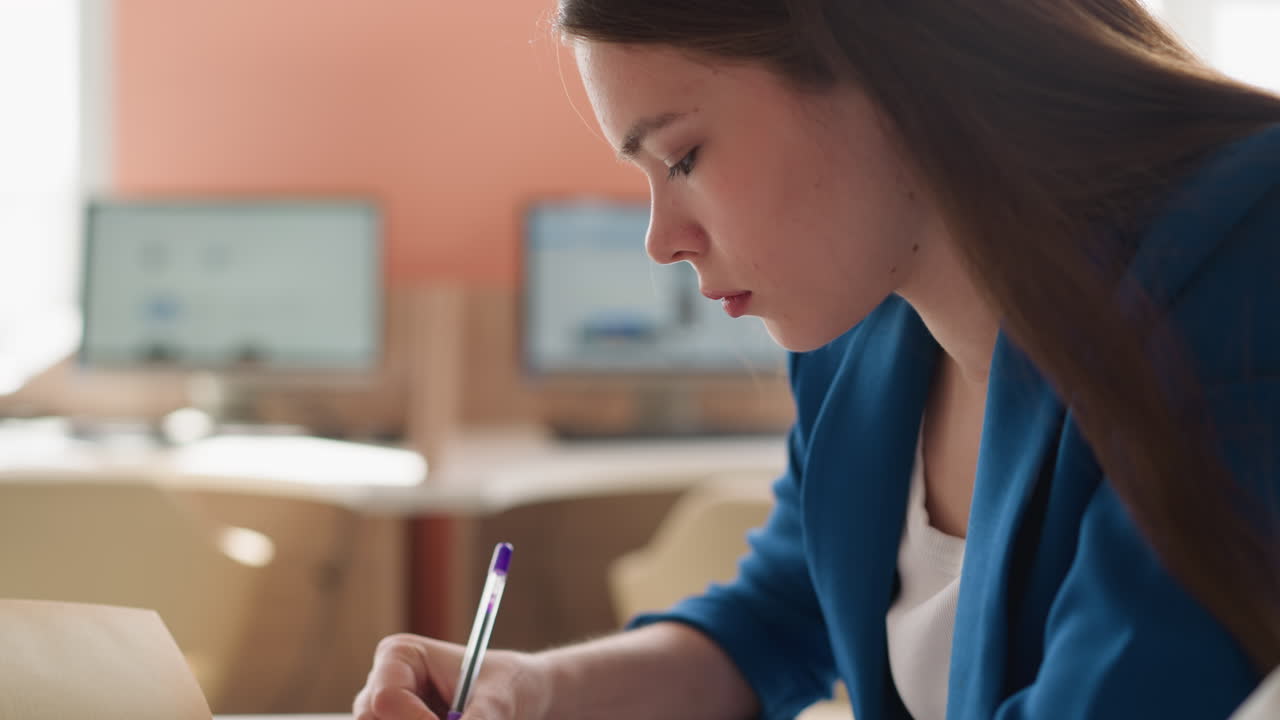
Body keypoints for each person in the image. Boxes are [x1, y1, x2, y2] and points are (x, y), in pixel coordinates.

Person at [355, 1, 1280, 718]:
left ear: (882, 67)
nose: (660, 242)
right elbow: (785, 614)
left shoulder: (1244, 259)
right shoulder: (861, 332)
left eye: (680, 159)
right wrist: (526, 692)